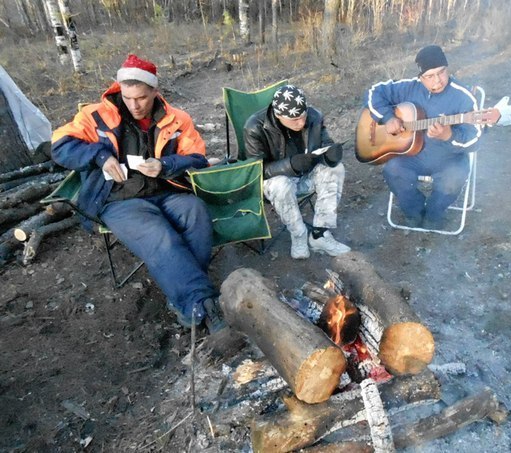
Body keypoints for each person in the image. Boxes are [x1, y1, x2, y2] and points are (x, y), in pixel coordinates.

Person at [51, 54, 226, 332]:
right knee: (161, 236)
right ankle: (201, 302)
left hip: (166, 190)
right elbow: (60, 145)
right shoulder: (95, 115)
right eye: (128, 97)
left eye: (142, 98)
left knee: (196, 214)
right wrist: (99, 155)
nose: (134, 105)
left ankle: (182, 297)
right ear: (120, 90)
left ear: (155, 92)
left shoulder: (177, 119)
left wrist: (166, 164)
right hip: (119, 198)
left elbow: (197, 158)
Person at [365, 45, 482, 230]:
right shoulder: (409, 88)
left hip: (449, 158)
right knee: (393, 170)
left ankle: (434, 214)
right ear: (421, 77)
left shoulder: (463, 97)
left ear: (448, 68)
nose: (438, 80)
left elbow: (475, 138)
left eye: (442, 72)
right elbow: (374, 92)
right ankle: (415, 212)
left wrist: (449, 136)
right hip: (412, 156)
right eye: (429, 76)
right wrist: (388, 117)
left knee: (454, 178)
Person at [243, 85, 351, 259]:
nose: (301, 123)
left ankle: (320, 234)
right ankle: (298, 234)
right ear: (279, 115)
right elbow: (255, 171)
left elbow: (325, 144)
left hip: (305, 176)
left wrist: (331, 155)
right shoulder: (255, 127)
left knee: (336, 169)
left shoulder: (314, 116)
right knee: (281, 184)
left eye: (302, 116)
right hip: (275, 184)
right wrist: (290, 165)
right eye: (294, 120)